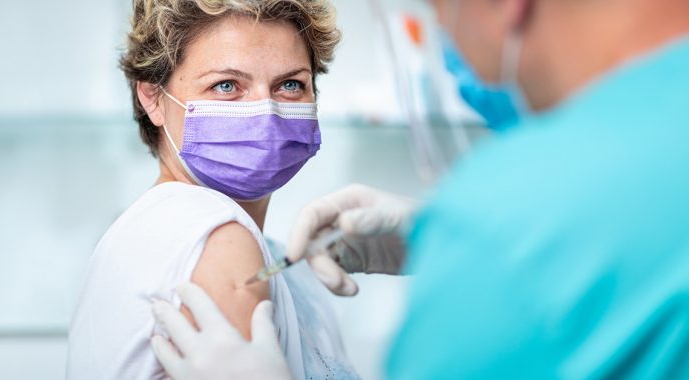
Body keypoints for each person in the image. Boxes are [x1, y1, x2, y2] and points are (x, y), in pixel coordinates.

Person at [151, 0, 689, 378]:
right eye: (226, 86)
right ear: (153, 97)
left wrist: (481, 239)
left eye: (440, 12)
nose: (450, 45)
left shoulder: (504, 232)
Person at [66, 1, 360, 379]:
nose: (266, 112)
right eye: (226, 85)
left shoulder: (277, 257)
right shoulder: (215, 236)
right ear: (153, 97)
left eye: (290, 84)